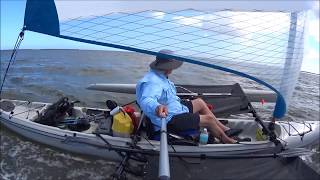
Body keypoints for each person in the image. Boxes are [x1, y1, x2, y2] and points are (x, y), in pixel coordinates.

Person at [136, 50, 241, 144]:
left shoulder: (161, 76)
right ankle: (228, 140)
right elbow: (146, 99)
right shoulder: (153, 82)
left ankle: (225, 129)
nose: (173, 68)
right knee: (208, 120)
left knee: (199, 102)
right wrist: (156, 107)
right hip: (169, 119)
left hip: (176, 108)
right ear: (167, 66)